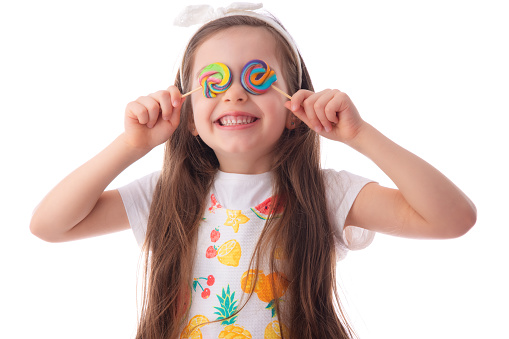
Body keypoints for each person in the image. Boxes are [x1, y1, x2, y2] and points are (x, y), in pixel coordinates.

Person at [29, 3, 477, 339]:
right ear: (186, 112)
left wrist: (360, 135)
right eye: (214, 81)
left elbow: (452, 218)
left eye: (258, 77)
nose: (236, 95)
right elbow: (50, 225)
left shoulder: (325, 194)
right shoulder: (166, 195)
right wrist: (131, 146)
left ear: (296, 107)